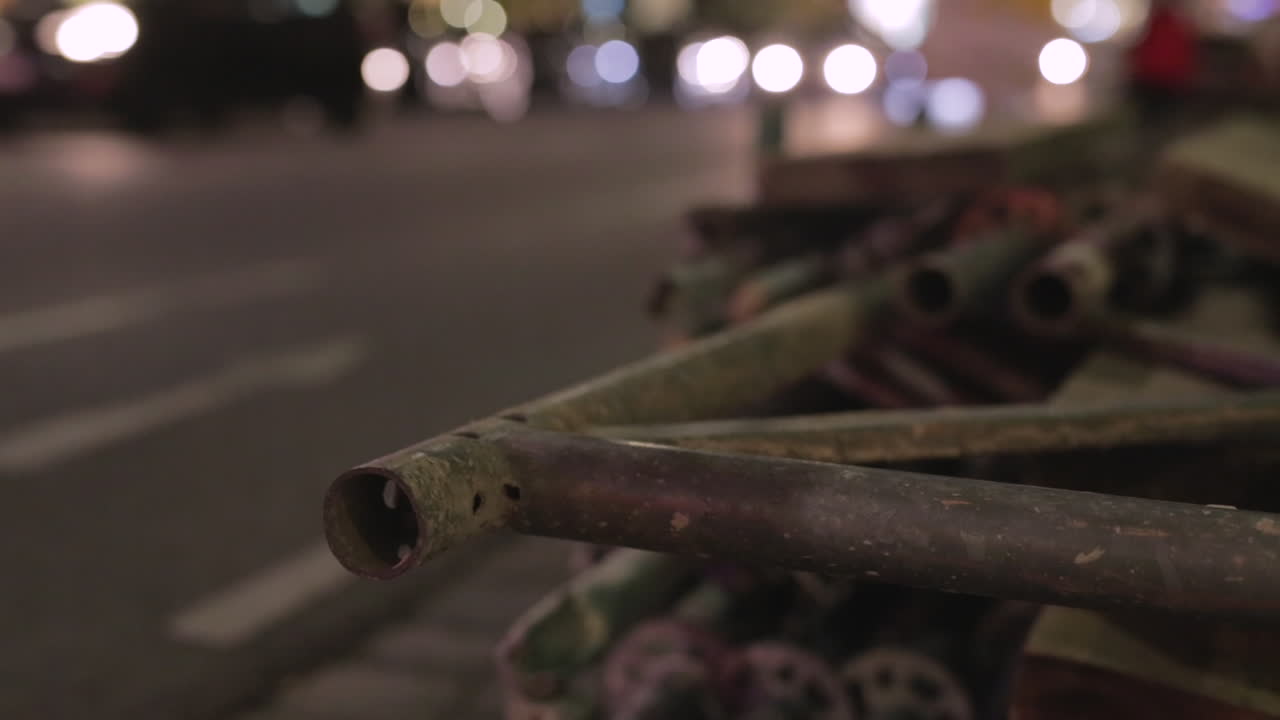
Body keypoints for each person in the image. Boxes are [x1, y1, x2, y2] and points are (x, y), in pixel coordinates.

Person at [1128, 0, 1199, 129]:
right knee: (1162, 120)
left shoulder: (1159, 23)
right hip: (1162, 81)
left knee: (1155, 120)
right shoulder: (1174, 24)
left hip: (1158, 80)